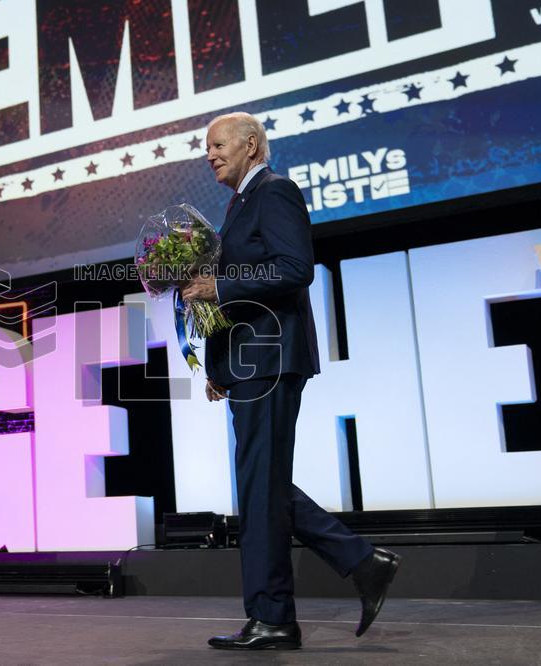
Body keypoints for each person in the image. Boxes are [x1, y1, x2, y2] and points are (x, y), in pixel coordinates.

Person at [180, 112, 401, 651]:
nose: (209, 154)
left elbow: (294, 267)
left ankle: (279, 613)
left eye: (218, 145)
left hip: (273, 359)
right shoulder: (237, 205)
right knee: (264, 487)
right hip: (250, 362)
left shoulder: (275, 191)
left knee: (261, 487)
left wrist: (218, 288)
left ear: (251, 144)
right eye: (206, 147)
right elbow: (242, 284)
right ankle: (354, 565)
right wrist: (218, 364)